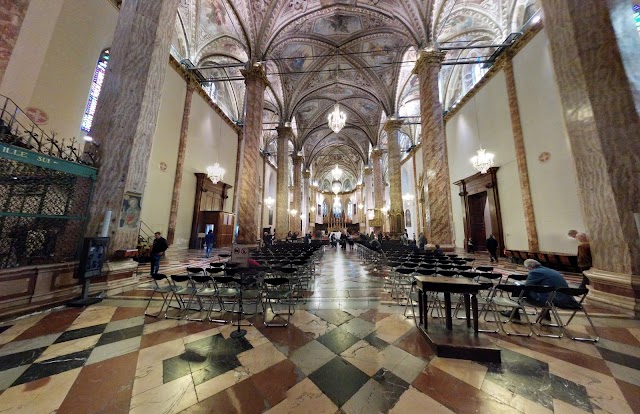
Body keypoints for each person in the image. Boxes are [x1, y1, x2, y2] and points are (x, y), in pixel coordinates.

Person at [503, 259, 579, 320]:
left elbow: (527, 286)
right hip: (565, 298)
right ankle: (545, 313)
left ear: (530, 267)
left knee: (518, 289)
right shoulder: (550, 270)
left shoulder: (535, 272)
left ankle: (514, 313)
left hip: (553, 300)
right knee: (544, 290)